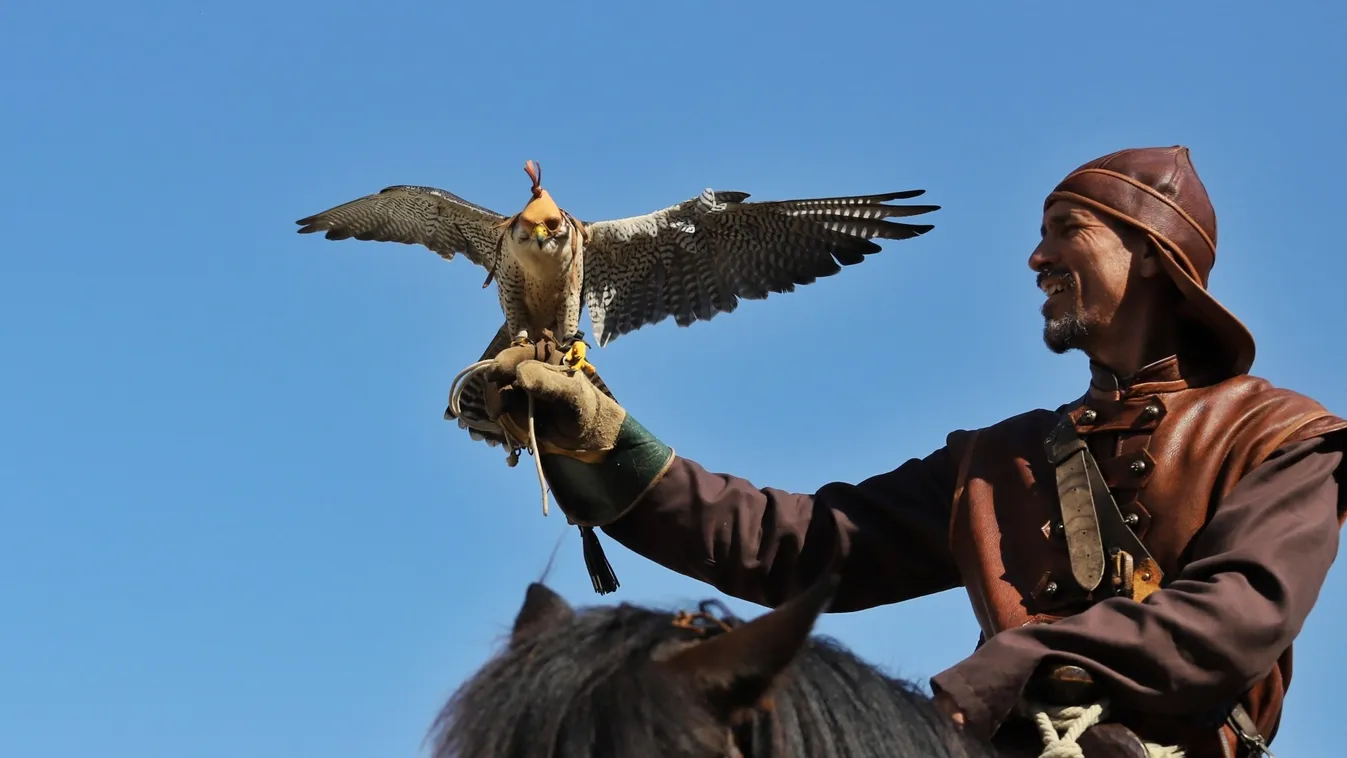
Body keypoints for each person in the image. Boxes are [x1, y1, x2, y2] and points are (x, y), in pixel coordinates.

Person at [480, 146, 1345, 758]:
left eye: (1065, 230)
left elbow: (1235, 618)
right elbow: (797, 543)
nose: (1035, 256)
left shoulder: (1284, 440)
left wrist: (1020, 659)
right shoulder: (998, 460)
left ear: (1151, 258)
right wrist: (603, 440)